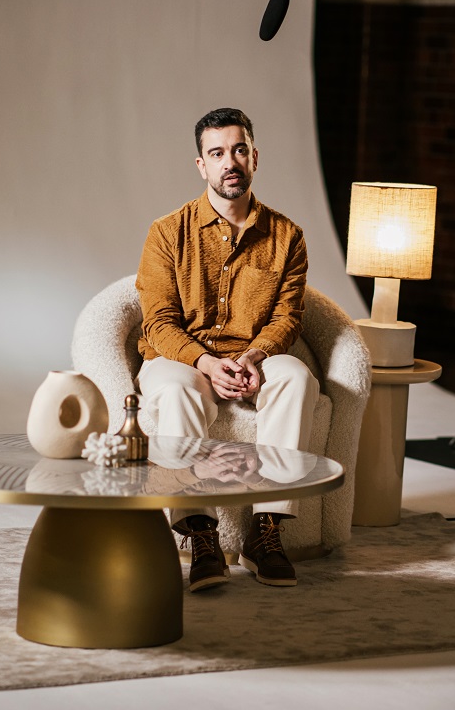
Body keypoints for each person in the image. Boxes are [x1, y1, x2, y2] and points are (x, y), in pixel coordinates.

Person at [135, 107, 319, 593]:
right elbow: (157, 322)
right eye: (217, 153)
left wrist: (257, 356)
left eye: (238, 150)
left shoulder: (287, 236)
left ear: (254, 156)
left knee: (297, 377)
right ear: (201, 165)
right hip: (180, 358)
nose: (229, 162)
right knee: (176, 391)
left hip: (252, 354)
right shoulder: (166, 233)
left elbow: (287, 317)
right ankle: (201, 533)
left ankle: (267, 531)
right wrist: (206, 362)